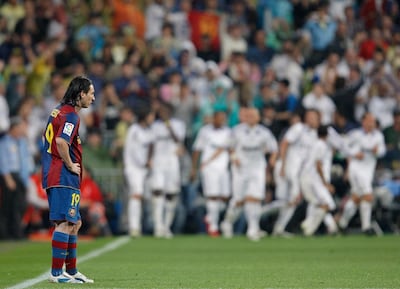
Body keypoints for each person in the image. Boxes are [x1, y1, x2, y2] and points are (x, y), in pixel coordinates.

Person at [41, 76, 95, 283]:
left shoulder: (59, 110)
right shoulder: (71, 116)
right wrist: (71, 165)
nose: (93, 98)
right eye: (91, 93)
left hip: (57, 173)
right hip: (62, 174)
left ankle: (71, 271)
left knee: (75, 222)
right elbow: (62, 141)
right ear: (81, 94)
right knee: (65, 222)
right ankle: (56, 274)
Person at [221, 108, 278, 241]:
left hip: (257, 168)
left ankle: (253, 228)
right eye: (249, 115)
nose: (251, 117)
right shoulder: (237, 131)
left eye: (254, 115)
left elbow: (274, 149)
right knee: (239, 200)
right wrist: (234, 157)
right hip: (240, 169)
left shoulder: (264, 132)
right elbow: (229, 147)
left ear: (258, 117)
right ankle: (227, 222)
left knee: (254, 198)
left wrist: (272, 161)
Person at [272, 109, 320, 236]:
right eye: (310, 117)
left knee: (289, 201)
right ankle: (257, 212)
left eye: (315, 117)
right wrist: (282, 164)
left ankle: (278, 228)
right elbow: (284, 143)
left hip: (298, 171)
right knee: (291, 199)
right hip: (288, 168)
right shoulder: (298, 128)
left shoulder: (315, 135)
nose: (312, 119)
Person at [338, 112, 386, 234]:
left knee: (356, 198)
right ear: (363, 122)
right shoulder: (355, 135)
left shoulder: (378, 136)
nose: (371, 123)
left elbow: (382, 151)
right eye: (369, 121)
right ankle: (366, 227)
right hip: (356, 168)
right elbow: (342, 147)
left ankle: (342, 223)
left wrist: (377, 151)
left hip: (368, 169)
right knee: (368, 195)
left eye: (373, 121)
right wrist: (354, 154)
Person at [191, 110, 232, 237]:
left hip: (223, 168)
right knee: (213, 195)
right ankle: (213, 227)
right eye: (219, 118)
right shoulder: (205, 131)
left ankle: (209, 216)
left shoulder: (228, 132)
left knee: (225, 196)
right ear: (214, 118)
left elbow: (231, 149)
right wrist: (194, 168)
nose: (222, 121)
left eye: (223, 118)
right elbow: (197, 149)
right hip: (209, 167)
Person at [151, 102, 186, 238]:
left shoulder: (178, 124)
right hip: (158, 162)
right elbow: (151, 145)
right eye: (161, 111)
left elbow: (178, 140)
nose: (163, 113)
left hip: (172, 162)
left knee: (171, 194)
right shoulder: (154, 126)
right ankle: (158, 226)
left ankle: (167, 226)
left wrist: (169, 126)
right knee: (158, 192)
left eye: (165, 111)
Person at [300, 125, 337, 236]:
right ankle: (308, 224)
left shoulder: (315, 144)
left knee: (316, 204)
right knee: (328, 204)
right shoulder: (321, 145)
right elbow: (318, 165)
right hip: (314, 180)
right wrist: (325, 183)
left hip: (306, 177)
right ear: (328, 135)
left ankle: (313, 228)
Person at [123, 105, 155, 237]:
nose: (153, 118)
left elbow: (151, 147)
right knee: (136, 195)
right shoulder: (134, 130)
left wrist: (149, 162)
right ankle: (134, 227)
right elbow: (132, 151)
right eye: (151, 116)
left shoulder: (149, 131)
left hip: (144, 169)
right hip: (133, 168)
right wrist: (144, 162)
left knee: (144, 197)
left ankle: (141, 225)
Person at [0, 116, 33, 239]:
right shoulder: (4, 143)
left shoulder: (22, 143)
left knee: (20, 205)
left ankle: (16, 231)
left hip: (21, 176)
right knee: (8, 205)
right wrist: (8, 178)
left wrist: (26, 179)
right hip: (10, 176)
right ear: (13, 128)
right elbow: (2, 161)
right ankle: (5, 233)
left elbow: (25, 161)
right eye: (20, 128)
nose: (21, 131)